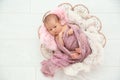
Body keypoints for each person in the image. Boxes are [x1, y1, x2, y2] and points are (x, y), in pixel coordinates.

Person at [40, 8, 92, 77]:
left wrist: (72, 30)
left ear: (59, 22)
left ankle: (82, 49)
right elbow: (61, 46)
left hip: (77, 41)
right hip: (71, 50)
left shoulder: (66, 26)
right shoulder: (57, 37)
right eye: (50, 29)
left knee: (82, 36)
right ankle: (78, 54)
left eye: (55, 26)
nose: (53, 30)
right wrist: (60, 37)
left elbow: (77, 28)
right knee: (64, 56)